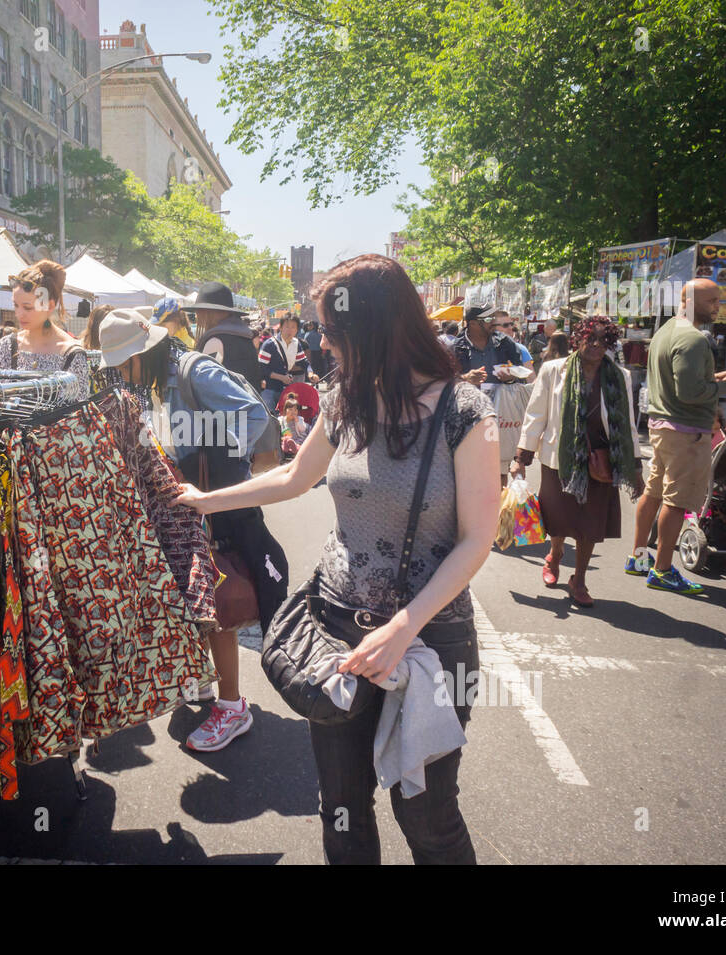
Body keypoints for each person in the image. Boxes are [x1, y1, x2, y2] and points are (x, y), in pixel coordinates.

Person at [177, 253, 499, 865]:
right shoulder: (345, 396)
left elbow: (476, 538)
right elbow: (297, 477)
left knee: (427, 814)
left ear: (372, 327)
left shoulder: (465, 412)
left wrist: (404, 628)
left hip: (432, 640)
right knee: (343, 806)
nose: (321, 341)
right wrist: (204, 500)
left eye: (330, 329)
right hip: (334, 632)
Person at [98, 309, 268, 752]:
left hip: (210, 500)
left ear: (141, 352)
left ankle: (233, 708)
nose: (118, 374)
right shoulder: (157, 376)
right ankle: (212, 686)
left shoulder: (195, 370)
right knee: (198, 598)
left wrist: (212, 460)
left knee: (218, 602)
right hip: (187, 502)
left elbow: (254, 416)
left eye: (121, 363)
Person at [511, 316, 643, 607]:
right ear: (577, 339)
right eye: (590, 338)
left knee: (590, 524)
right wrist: (522, 457)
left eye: (603, 340)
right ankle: (556, 554)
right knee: (558, 520)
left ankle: (579, 579)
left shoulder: (620, 376)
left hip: (600, 462)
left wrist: (635, 465)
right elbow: (536, 416)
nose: (596, 344)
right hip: (560, 459)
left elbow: (629, 424)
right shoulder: (553, 371)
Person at [628, 278, 726, 595]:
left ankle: (638, 557)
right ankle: (662, 570)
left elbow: (679, 381)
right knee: (676, 503)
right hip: (687, 431)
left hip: (663, 425)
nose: (718, 307)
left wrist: (711, 379)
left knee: (654, 493)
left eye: (718, 300)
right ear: (689, 301)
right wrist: (724, 388)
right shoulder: (694, 339)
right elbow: (690, 393)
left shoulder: (666, 331)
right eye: (711, 301)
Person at [0, 260, 90, 404]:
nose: (19, 314)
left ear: (49, 306)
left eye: (27, 307)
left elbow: (78, 414)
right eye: (16, 305)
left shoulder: (72, 354)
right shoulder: (7, 345)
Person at [187, 281, 262, 389]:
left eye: (198, 311)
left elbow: (204, 384)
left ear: (207, 312)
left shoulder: (215, 341)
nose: (196, 315)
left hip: (225, 405)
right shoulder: (244, 336)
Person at [453, 305, 524, 398]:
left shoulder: (505, 342)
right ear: (473, 323)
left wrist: (511, 378)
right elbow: (443, 382)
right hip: (469, 407)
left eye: (493, 318)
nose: (493, 322)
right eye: (487, 320)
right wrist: (465, 379)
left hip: (501, 406)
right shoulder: (455, 348)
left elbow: (520, 372)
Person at [259, 312, 317, 411]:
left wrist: (311, 373)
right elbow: (261, 368)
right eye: (287, 327)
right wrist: (280, 377)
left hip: (285, 389)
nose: (290, 330)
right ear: (280, 327)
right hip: (269, 388)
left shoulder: (296, 343)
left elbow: (304, 362)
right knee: (270, 417)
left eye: (293, 327)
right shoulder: (269, 344)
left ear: (297, 330)